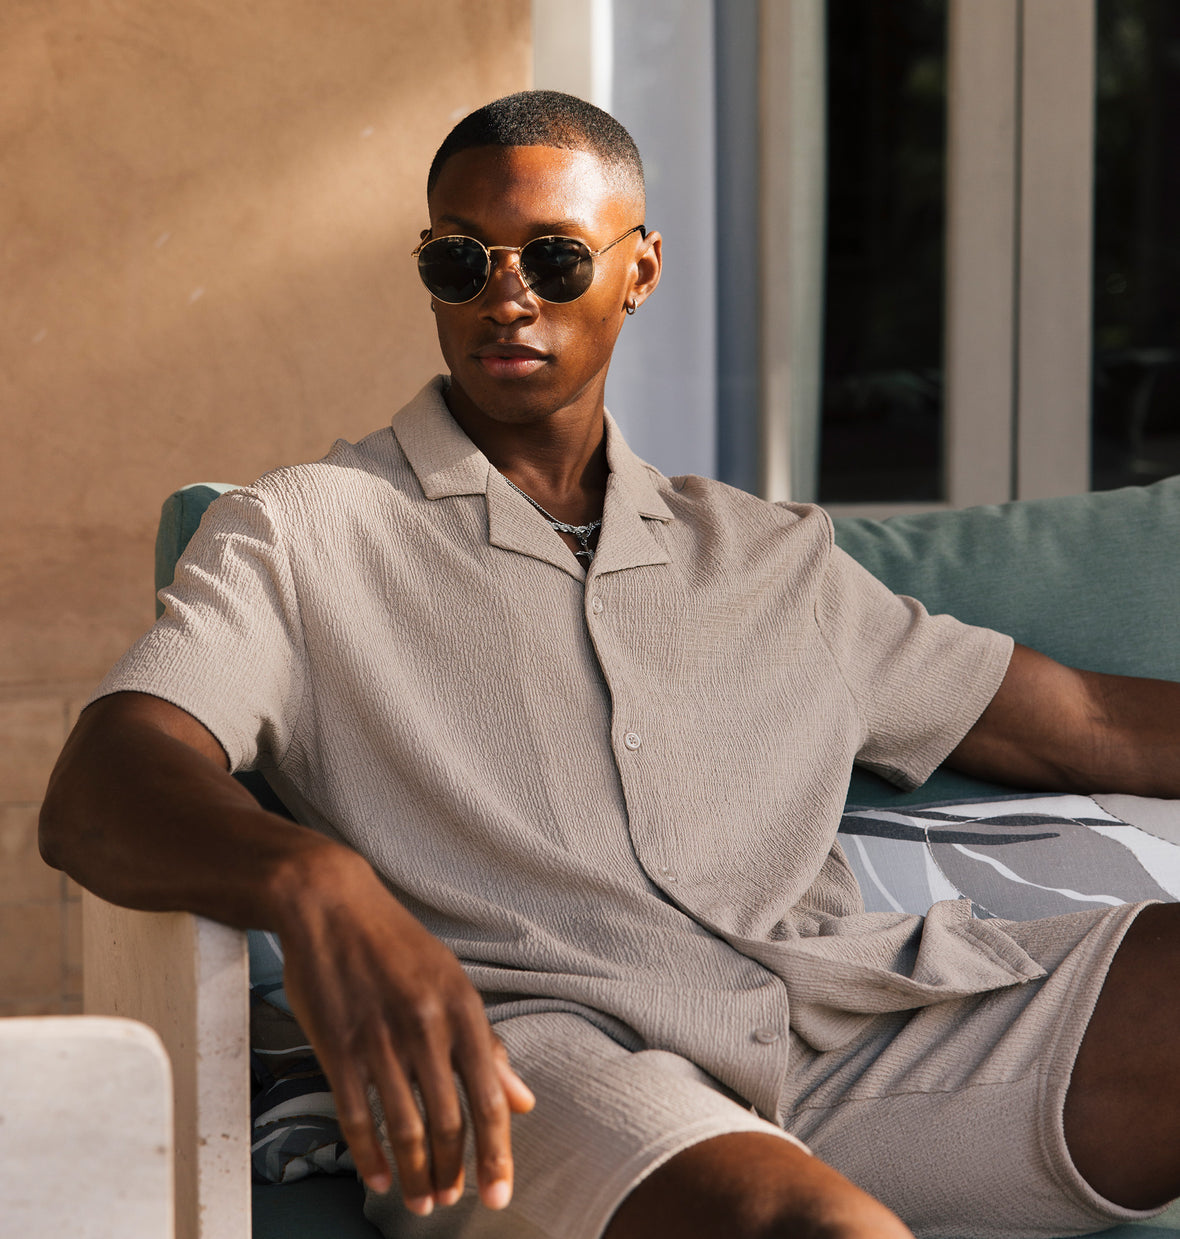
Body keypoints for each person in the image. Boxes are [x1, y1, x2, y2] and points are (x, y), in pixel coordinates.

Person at [39, 90, 1180, 1239]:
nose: (506, 297)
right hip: (539, 1065)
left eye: (553, 258)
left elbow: (1080, 722)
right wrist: (311, 881)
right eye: (460, 261)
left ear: (640, 271)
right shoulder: (305, 531)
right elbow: (104, 784)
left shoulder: (768, 558)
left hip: (852, 1017)